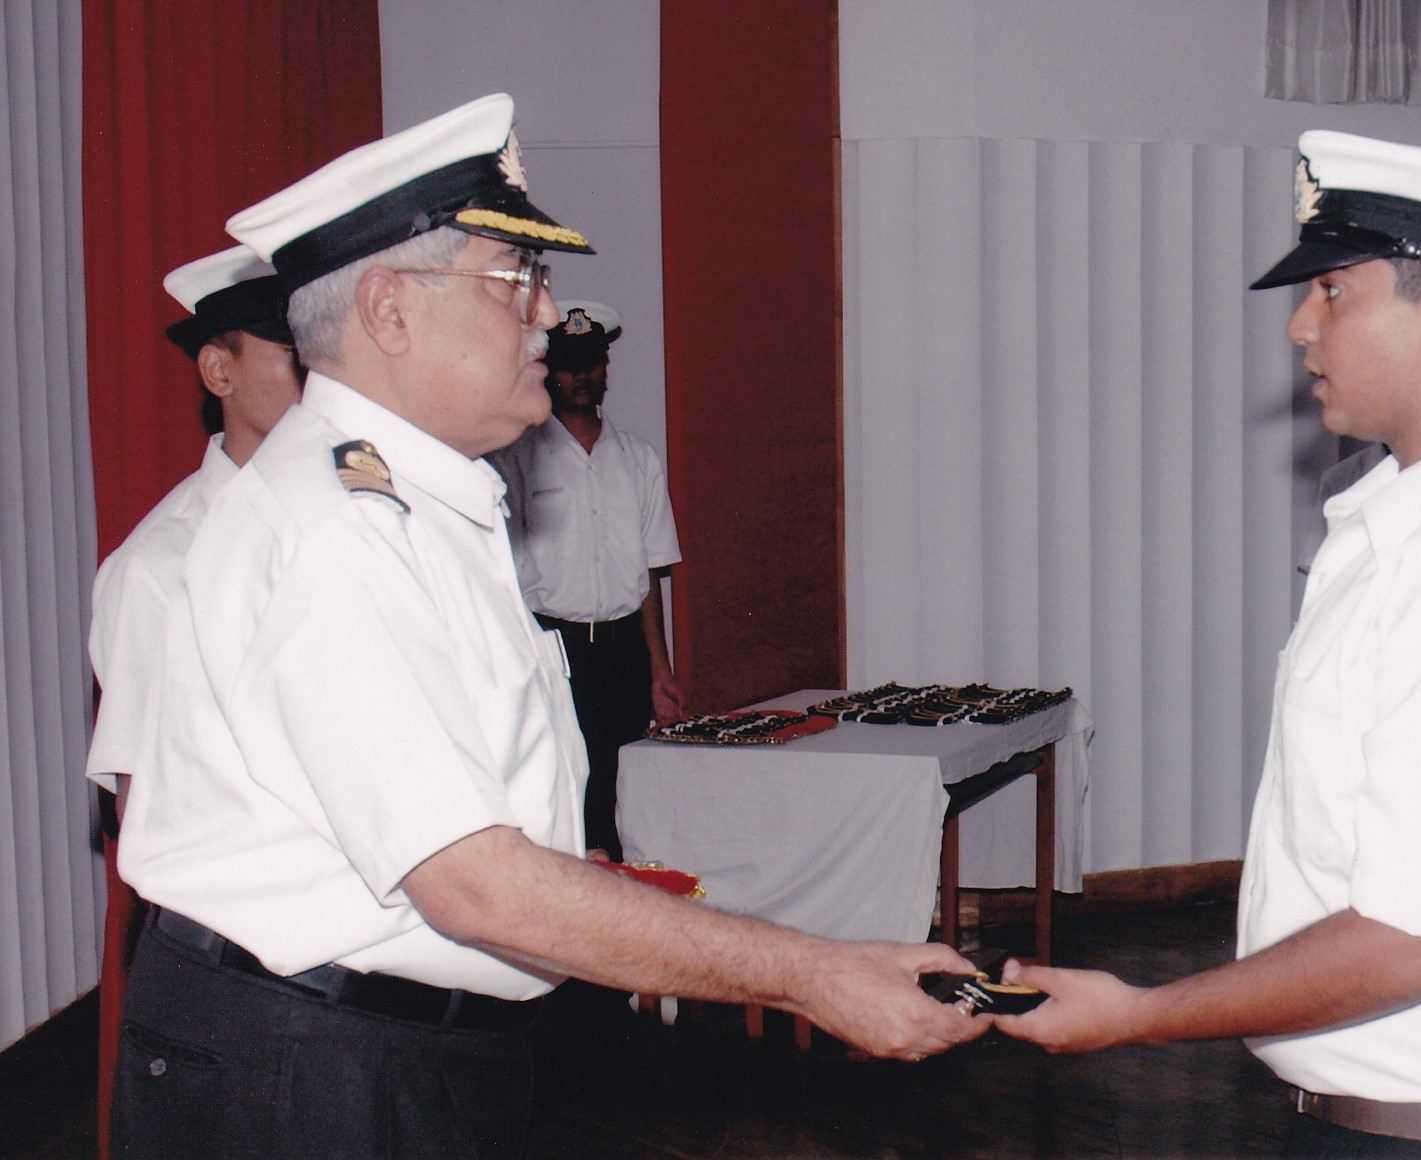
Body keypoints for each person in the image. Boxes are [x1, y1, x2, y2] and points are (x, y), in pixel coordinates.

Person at [110, 93, 984, 1158]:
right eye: (515, 277)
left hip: (395, 1048)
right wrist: (815, 971)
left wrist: (575, 873)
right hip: (310, 1072)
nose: (548, 313)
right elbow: (473, 883)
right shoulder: (332, 527)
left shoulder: (427, 501)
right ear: (390, 311)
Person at [995, 131, 1421, 1160]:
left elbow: (1416, 941)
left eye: (1335, 291)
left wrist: (1138, 1014)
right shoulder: (1419, 521)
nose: (1301, 324)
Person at [87, 245, 304, 820]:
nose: (322, 381)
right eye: (296, 357)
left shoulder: (369, 515)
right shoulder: (161, 564)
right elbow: (145, 803)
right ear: (219, 371)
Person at [492, 301, 685, 861]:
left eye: (591, 363)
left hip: (624, 652)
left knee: (622, 790)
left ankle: (622, 892)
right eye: (568, 364)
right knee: (562, 789)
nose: (581, 376)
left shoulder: (638, 460)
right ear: (548, 370)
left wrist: (660, 670)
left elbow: (650, 574)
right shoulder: (518, 457)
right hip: (555, 647)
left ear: (606, 368)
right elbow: (502, 572)